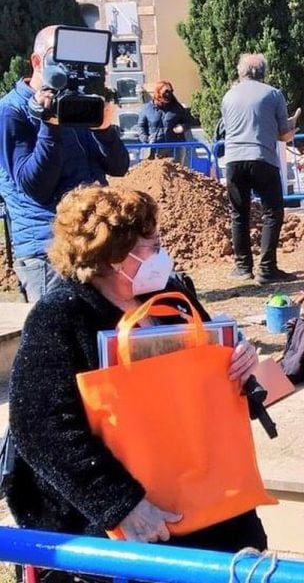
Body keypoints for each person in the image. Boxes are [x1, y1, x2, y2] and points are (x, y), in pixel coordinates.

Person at [7, 186, 265, 578]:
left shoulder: (173, 295)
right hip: (122, 514)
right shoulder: (60, 317)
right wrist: (121, 505)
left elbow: (214, 363)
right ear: (113, 256)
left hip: (205, 494)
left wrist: (240, 362)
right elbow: (39, 427)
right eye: (152, 245)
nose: (162, 253)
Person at [0, 25, 130, 303]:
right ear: (37, 62)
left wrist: (105, 130)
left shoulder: (78, 102)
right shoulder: (11, 111)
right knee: (59, 339)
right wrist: (50, 127)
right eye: (60, 58)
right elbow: (35, 186)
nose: (71, 68)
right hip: (47, 250)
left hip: (93, 240)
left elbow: (118, 167)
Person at [220, 53, 299, 284]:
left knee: (239, 214)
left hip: (233, 160)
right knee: (272, 212)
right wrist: (292, 126)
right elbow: (284, 135)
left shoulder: (228, 96)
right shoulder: (273, 94)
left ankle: (243, 267)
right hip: (262, 157)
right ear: (263, 72)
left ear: (240, 71)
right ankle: (267, 269)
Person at [137, 81, 195, 161]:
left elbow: (188, 122)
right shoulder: (147, 108)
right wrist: (146, 139)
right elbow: (141, 126)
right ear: (158, 92)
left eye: (171, 91)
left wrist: (182, 127)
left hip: (174, 147)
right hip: (153, 148)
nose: (169, 94)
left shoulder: (177, 107)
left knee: (176, 172)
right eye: (166, 91)